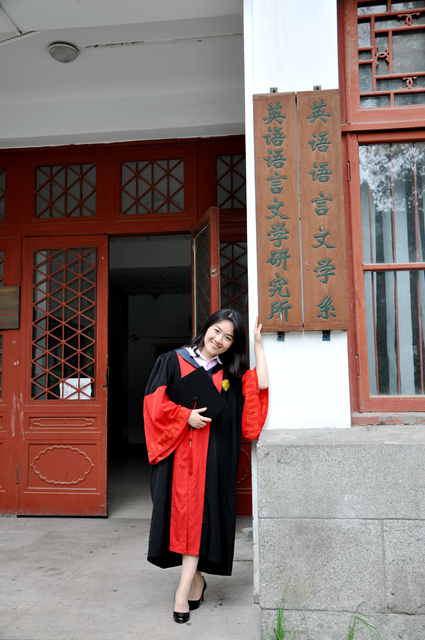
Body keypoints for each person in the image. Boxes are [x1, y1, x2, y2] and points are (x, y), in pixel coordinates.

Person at [143, 309, 269, 624]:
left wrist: (258, 344)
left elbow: (261, 384)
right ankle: (196, 581)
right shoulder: (173, 361)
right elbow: (153, 403)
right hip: (176, 458)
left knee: (198, 521)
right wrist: (184, 415)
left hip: (210, 461)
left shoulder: (229, 373)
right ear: (206, 328)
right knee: (181, 521)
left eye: (229, 337)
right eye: (216, 331)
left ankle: (182, 591)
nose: (219, 340)